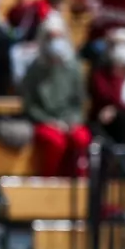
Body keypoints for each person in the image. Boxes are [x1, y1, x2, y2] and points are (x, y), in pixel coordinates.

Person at [19, 18, 90, 178]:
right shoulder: (35, 68)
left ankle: (79, 184)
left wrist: (72, 120)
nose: (56, 41)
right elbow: (30, 104)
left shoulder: (74, 67)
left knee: (81, 138)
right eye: (51, 37)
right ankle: (50, 181)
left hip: (69, 119)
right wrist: (49, 121)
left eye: (59, 36)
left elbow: (78, 102)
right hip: (44, 120)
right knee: (55, 142)